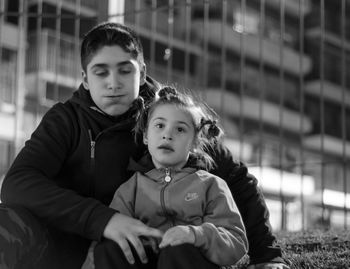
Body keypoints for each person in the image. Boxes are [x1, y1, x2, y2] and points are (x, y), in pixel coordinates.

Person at [0, 21, 288, 269]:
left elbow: (237, 179)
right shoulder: (65, 119)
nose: (113, 83)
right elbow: (18, 183)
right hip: (70, 241)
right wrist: (102, 219)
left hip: (154, 249)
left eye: (125, 70)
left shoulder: (170, 116)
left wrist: (268, 254)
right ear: (85, 80)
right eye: (101, 72)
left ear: (142, 71)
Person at [82, 86, 249, 269]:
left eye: (180, 129)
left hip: (187, 260)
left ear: (194, 142)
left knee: (177, 250)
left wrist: (196, 235)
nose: (167, 135)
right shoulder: (131, 188)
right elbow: (114, 232)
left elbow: (237, 241)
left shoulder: (211, 185)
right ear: (146, 135)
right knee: (109, 248)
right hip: (146, 261)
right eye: (160, 125)